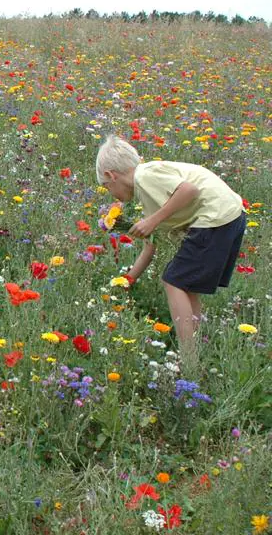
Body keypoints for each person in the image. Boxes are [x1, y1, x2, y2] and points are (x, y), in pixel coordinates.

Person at [96, 135, 245, 364]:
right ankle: (194, 351)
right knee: (186, 285)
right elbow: (150, 245)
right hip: (228, 216)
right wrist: (127, 281)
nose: (111, 194)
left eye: (107, 187)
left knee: (174, 280)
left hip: (215, 217)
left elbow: (189, 190)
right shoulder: (147, 191)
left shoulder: (145, 175)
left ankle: (188, 359)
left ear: (111, 175)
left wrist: (153, 221)